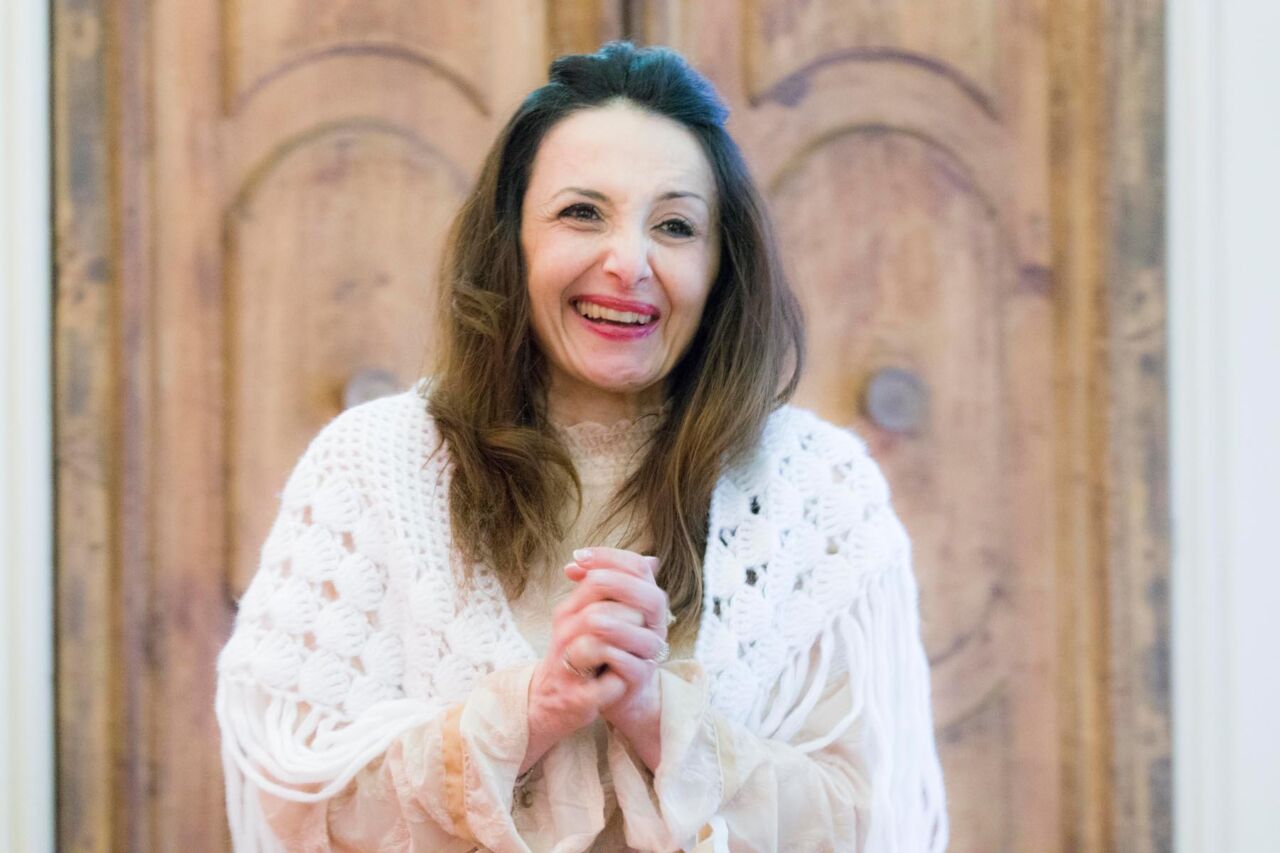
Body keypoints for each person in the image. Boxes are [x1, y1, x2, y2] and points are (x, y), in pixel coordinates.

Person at [216, 41, 948, 852]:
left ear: (721, 265)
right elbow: (301, 801)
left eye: (675, 226)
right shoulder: (374, 464)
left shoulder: (815, 487)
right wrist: (534, 710)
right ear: (512, 240)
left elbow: (865, 820)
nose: (628, 263)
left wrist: (659, 719)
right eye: (581, 213)